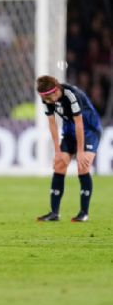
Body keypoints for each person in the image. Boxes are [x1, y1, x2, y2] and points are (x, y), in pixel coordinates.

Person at [35, 76, 102, 222]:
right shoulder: (47, 98)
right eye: (44, 97)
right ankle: (54, 213)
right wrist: (57, 151)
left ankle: (84, 213)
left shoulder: (72, 95)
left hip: (89, 130)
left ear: (57, 89)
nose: (48, 100)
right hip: (70, 131)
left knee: (82, 166)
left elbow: (79, 123)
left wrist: (81, 152)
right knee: (60, 164)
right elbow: (52, 123)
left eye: (49, 96)